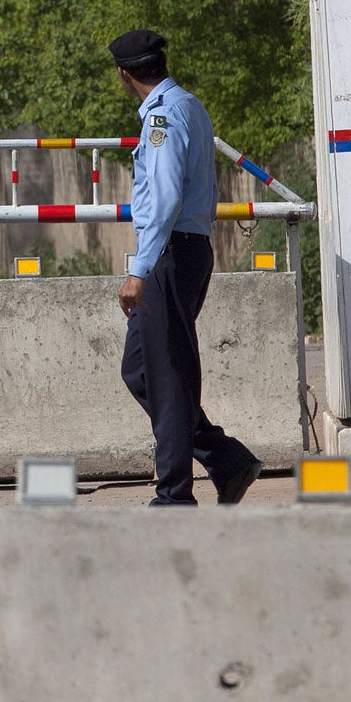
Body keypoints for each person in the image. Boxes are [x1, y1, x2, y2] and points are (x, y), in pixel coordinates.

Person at [110, 29, 263, 507]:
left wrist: (139, 269)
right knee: (141, 369)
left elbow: (164, 197)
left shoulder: (162, 115)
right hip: (186, 249)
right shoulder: (190, 105)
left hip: (169, 254)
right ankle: (225, 458)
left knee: (166, 375)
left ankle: (174, 496)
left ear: (124, 74)